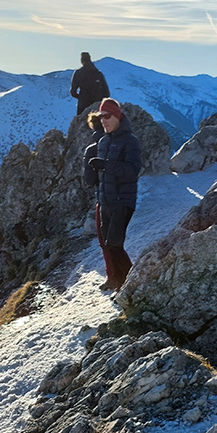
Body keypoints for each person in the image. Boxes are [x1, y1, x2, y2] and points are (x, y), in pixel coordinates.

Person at [83, 98, 141, 292]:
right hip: (105, 201)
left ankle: (131, 284)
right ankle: (119, 281)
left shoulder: (130, 141)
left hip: (122, 201)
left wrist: (106, 166)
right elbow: (94, 179)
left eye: (107, 116)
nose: (103, 121)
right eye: (101, 117)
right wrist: (91, 168)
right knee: (108, 245)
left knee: (114, 244)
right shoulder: (103, 141)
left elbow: (132, 171)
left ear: (117, 116)